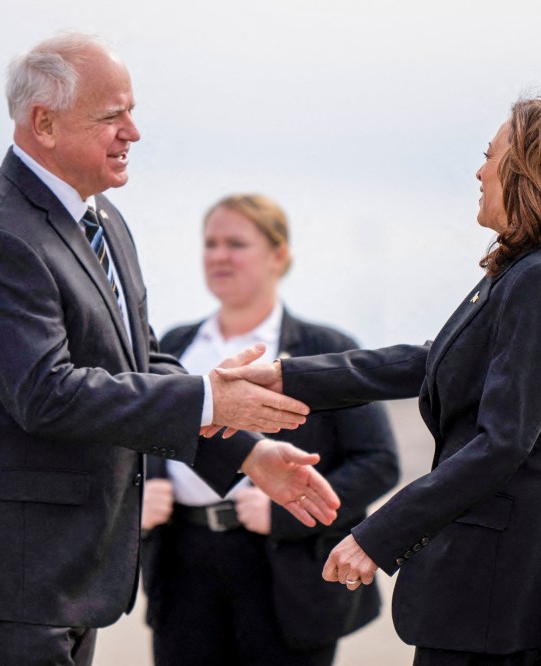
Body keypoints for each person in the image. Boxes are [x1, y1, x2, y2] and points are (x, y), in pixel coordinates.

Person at [0, 33, 340, 666]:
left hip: (69, 575)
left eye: (131, 112)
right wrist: (207, 396)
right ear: (44, 124)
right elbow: (46, 394)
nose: (132, 132)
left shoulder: (102, 220)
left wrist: (246, 452)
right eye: (112, 116)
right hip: (5, 575)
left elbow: (139, 367)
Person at [216, 97, 541, 665]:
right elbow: (432, 359)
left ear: (533, 173)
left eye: (492, 156)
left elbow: (503, 442)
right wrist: (286, 377)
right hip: (512, 573)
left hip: (514, 577)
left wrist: (378, 535)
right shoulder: (540, 268)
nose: (480, 171)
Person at [139, 193, 400, 665]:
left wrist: (282, 512)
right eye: (210, 243)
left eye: (235, 243)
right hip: (181, 564)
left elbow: (379, 464)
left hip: (289, 575)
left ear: (278, 255)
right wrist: (138, 496)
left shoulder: (325, 349)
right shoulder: (172, 346)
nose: (219, 255)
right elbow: (137, 435)